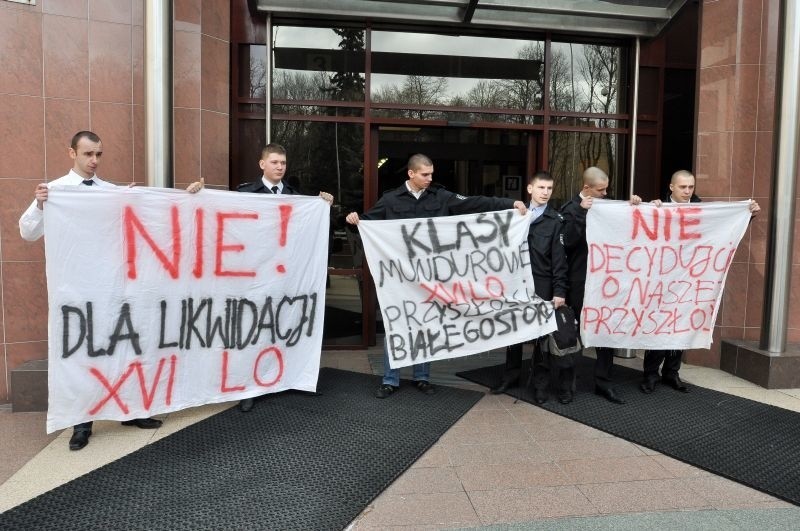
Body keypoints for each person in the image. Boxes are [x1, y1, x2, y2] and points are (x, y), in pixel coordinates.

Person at [18, 130, 200, 450]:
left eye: (99, 154)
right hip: (77, 290)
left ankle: (129, 410)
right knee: (83, 353)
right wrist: (39, 204)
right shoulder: (57, 191)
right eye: (88, 154)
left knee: (123, 349)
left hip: (114, 287)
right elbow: (28, 232)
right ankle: (82, 422)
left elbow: (153, 216)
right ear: (71, 153)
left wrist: (188, 197)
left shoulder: (110, 191)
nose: (94, 161)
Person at [346, 153, 528, 399]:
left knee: (427, 326)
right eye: (425, 174)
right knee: (397, 326)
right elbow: (366, 224)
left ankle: (422, 377)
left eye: (431, 174)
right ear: (411, 174)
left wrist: (508, 203)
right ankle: (390, 380)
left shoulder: (440, 196)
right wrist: (351, 219)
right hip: (400, 279)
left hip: (432, 277)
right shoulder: (390, 200)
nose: (430, 178)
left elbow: (474, 203)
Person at [639, 170, 760, 394]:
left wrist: (747, 214)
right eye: (683, 187)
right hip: (662, 279)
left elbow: (724, 226)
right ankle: (650, 374)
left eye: (691, 187)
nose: (687, 191)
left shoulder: (701, 209)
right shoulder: (658, 207)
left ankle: (671, 372)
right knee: (659, 325)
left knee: (681, 324)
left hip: (690, 279)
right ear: (671, 187)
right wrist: (647, 208)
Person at [235, 142, 333, 412]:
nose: (280, 167)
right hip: (256, 275)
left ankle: (291, 378)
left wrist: (323, 206)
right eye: (275, 162)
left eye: (283, 163)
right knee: (254, 330)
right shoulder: (245, 193)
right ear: (262, 164)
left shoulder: (295, 195)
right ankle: (249, 387)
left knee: (286, 325)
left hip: (286, 276)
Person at [490, 171, 571, 404]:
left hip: (542, 287)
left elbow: (559, 261)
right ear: (529, 189)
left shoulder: (555, 221)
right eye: (541, 188)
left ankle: (540, 386)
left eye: (549, 189)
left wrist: (559, 291)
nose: (545, 193)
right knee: (513, 334)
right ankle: (510, 377)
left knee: (541, 340)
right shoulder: (514, 216)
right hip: (515, 286)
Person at [560, 167, 627, 404]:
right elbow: (567, 241)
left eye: (606, 189)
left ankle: (604, 383)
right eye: (601, 190)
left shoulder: (608, 208)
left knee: (605, 333)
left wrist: (637, 205)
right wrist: (580, 212)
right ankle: (568, 386)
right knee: (572, 337)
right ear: (586, 188)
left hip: (606, 282)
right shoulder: (569, 209)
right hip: (579, 283)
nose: (605, 193)